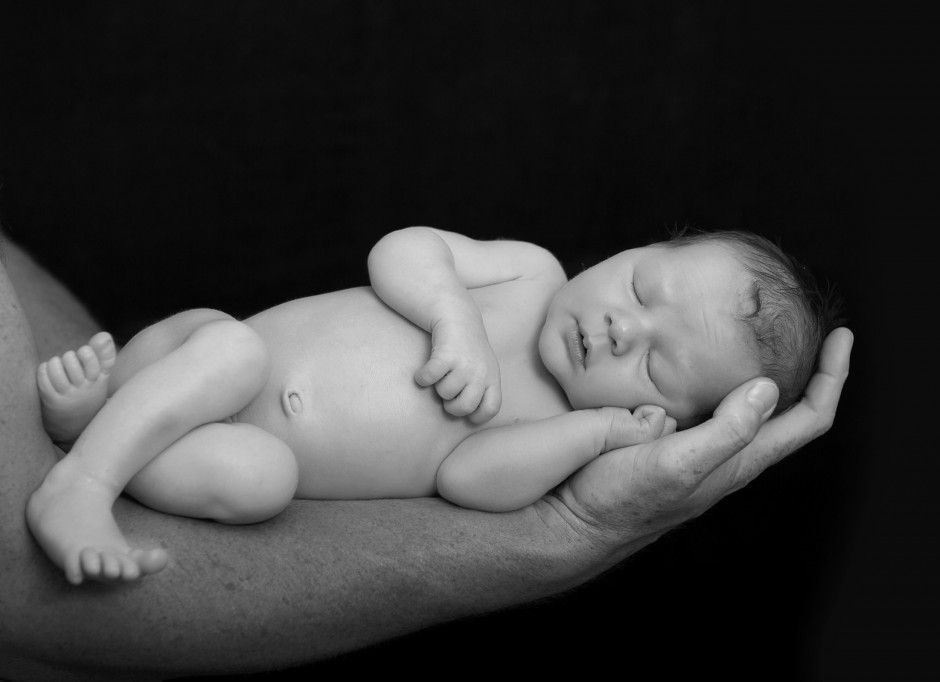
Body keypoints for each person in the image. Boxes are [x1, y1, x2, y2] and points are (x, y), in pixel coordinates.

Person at [0, 227, 853, 680]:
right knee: (235, 356)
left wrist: (593, 439)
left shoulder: (554, 429)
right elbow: (404, 249)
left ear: (654, 412)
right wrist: (453, 319)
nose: (620, 325)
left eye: (654, 362)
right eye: (639, 286)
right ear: (631, 250)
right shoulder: (528, 275)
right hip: (198, 355)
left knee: (264, 482)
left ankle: (95, 428)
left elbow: (466, 479)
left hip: (227, 441)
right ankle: (78, 479)